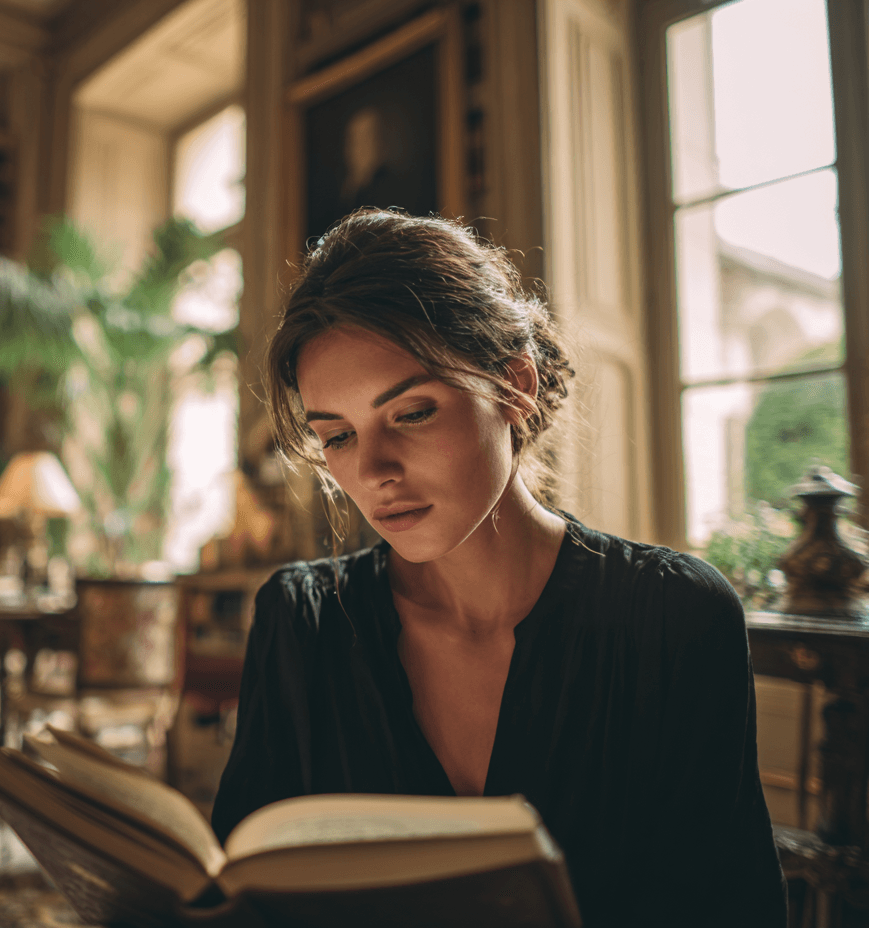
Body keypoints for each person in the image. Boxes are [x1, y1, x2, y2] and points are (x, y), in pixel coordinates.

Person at [210, 209, 787, 928]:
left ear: (514, 387)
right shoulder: (301, 621)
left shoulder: (674, 618)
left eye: (413, 412)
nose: (373, 469)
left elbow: (730, 906)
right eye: (338, 435)